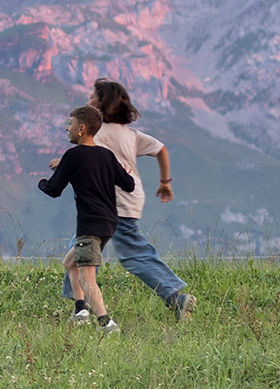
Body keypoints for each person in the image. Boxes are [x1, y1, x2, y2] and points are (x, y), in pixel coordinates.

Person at [72, 78, 192, 321]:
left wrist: (65, 164)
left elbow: (85, 155)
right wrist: (165, 182)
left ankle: (174, 297)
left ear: (102, 103)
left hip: (111, 202)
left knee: (125, 253)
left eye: (92, 96)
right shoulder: (130, 134)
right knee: (82, 249)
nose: (88, 99)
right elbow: (161, 149)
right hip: (130, 198)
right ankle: (80, 304)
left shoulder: (98, 134)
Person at [38, 104, 136, 333]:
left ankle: (106, 323)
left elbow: (53, 189)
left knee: (86, 277)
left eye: (69, 124)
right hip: (109, 223)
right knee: (70, 262)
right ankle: (80, 310)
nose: (67, 128)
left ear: (81, 128)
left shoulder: (73, 156)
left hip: (89, 223)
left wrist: (41, 182)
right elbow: (129, 184)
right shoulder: (106, 155)